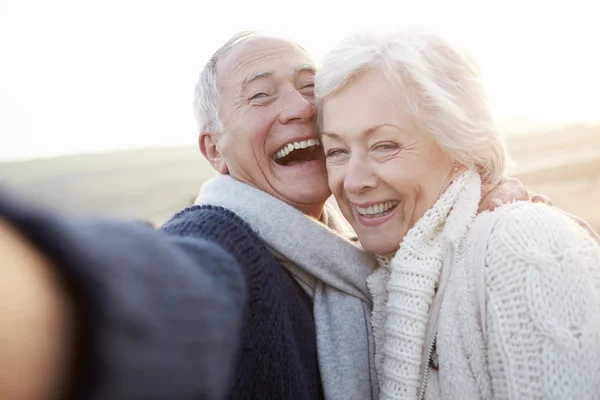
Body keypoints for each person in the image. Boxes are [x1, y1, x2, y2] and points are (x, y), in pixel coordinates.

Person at [0, 31, 546, 400]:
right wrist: (47, 295)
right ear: (214, 151)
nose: (300, 107)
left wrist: (472, 206)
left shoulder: (350, 256)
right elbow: (172, 292)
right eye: (260, 96)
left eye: (311, 87)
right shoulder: (222, 243)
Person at [315, 27, 600, 400]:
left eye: (384, 146)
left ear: (461, 146)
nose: (352, 182)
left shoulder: (522, 245)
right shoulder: (377, 277)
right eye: (336, 152)